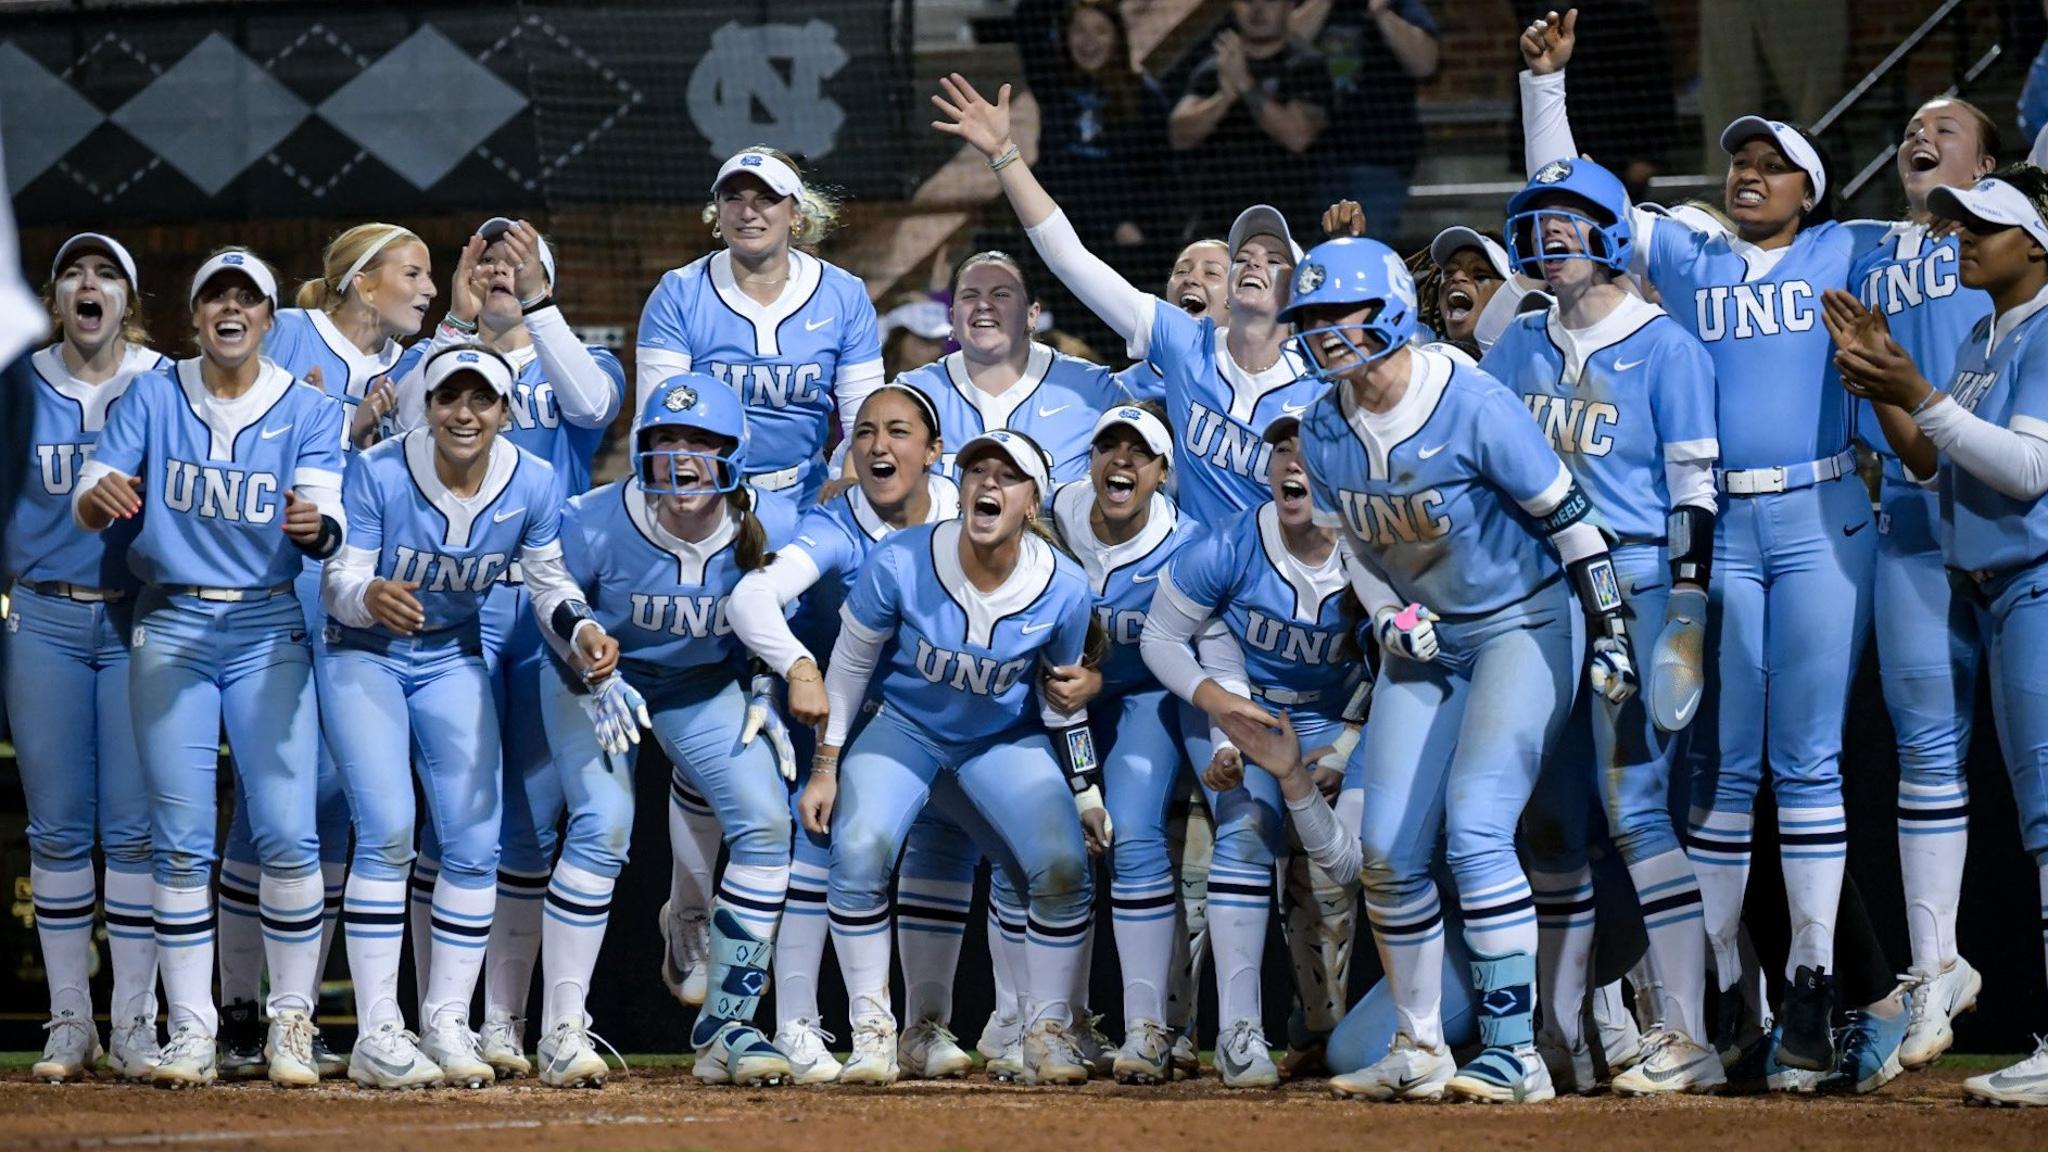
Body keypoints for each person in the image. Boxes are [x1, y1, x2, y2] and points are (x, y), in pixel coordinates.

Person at [1522, 10, 1873, 1076]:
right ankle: (1719, 1000)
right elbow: (1570, 203)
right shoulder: (1689, 253)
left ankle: (1811, 983)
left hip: (1818, 519)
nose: (1748, 174)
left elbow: (1956, 230)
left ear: (1811, 189)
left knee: (1805, 759)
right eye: (1739, 161)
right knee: (1721, 767)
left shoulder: (1849, 249)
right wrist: (1545, 86)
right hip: (1719, 533)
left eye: (1773, 164)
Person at [1283, 235, 1637, 1103]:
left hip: (1523, 622)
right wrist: (1388, 616)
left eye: (1340, 312)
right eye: (1312, 316)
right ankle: (1421, 1045)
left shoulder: (1468, 399)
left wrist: (1611, 628)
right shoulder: (1322, 426)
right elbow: (1351, 543)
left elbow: (1572, 521)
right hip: (1426, 638)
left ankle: (1516, 1052)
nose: (1324, 331)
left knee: (1478, 827)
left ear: (1392, 310)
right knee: (1386, 853)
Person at [1478, 157, 1725, 1094]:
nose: (1550, 234)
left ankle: (1689, 1033)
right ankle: (1560, 1035)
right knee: (1549, 820)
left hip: (1636, 581)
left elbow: (1693, 488)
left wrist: (1686, 608)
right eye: (1537, 218)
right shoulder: (1518, 343)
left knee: (1634, 807)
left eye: (1570, 216)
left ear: (1614, 228)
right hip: (1540, 591)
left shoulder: (1669, 349)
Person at [72, 249, 346, 1088]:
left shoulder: (307, 406)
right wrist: (98, 499)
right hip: (173, 621)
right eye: (215, 297)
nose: (231, 309)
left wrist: (317, 528)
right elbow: (92, 489)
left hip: (266, 623)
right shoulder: (155, 395)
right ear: (194, 317)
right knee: (181, 841)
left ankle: (290, 1021)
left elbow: (328, 514)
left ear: (268, 317)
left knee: (289, 832)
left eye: (246, 299)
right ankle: (191, 1029)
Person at [1826, 166, 2048, 1109]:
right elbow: (1928, 463)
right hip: (1998, 587)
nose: (1963, 239)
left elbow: (2029, 470)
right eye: (1957, 226)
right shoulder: (1979, 335)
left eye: (1984, 227)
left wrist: (1917, 389)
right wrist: (1884, 380)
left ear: (2036, 244)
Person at [390, 217, 626, 1079]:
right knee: (454, 820)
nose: (499, 271)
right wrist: (455, 322)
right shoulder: (441, 373)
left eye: (517, 262)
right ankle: (436, 1018)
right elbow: (403, 421)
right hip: (453, 602)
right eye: (487, 260)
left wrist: (534, 301)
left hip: (543, 606)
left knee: (528, 825)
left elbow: (594, 409)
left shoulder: (583, 360)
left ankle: (504, 1021)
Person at [801, 430, 1108, 1086]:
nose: (988, 483)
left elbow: (1062, 698)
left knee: (1062, 868)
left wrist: (1086, 791)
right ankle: (874, 1034)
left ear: (1032, 502)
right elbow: (849, 667)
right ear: (961, 486)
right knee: (858, 851)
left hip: (1000, 739)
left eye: (1008, 475)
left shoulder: (1064, 586)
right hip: (905, 728)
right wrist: (826, 767)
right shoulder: (901, 559)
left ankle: (1046, 1031)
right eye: (977, 471)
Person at [210, 222, 436, 1080]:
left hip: (359, 597)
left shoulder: (417, 369)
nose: (426, 288)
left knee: (337, 800)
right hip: (276, 588)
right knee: (270, 802)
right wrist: (343, 422)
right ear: (362, 280)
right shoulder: (291, 333)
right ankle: (237, 1011)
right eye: (413, 272)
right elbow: (224, 432)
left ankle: (297, 1013)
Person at [532, 373, 800, 1087]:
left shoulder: (773, 522)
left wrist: (767, 687)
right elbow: (550, 591)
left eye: (700, 440)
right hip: (592, 681)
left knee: (767, 824)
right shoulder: (596, 517)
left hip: (699, 685)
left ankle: (727, 1027)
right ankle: (562, 1029)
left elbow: (778, 619)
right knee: (603, 824)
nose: (681, 456)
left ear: (734, 451)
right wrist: (587, 646)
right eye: (666, 439)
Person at [318, 344, 573, 1089]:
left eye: (482, 399)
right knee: (389, 829)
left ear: (505, 410)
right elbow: (339, 579)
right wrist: (368, 597)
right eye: (449, 398)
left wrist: (581, 629)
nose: (465, 413)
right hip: (363, 651)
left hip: (451, 654)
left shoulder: (534, 479)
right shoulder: (380, 470)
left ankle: (446, 1020)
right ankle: (377, 1030)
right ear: (426, 407)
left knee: (473, 838)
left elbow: (549, 583)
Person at [933, 74, 1321, 526]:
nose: (1253, 264)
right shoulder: (1185, 343)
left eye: (1274, 260)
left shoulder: (1320, 381)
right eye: (1245, 258)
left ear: (1299, 290)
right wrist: (1005, 155)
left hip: (1289, 560)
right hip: (1198, 560)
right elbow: (1071, 260)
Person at [727, 384, 959, 1083]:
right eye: (864, 432)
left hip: (934, 717)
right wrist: (799, 666)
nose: (878, 445)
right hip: (837, 712)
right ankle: (795, 1023)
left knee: (964, 851)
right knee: (816, 849)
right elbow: (751, 596)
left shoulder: (965, 513)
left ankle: (943, 1028)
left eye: (897, 431)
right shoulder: (833, 524)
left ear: (934, 451)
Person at [1841, 98, 2002, 1082]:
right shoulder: (1855, 246)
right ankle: (1935, 963)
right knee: (1925, 750)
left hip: (2011, 507)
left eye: (1945, 129)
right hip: (1907, 512)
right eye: (1909, 127)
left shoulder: (2016, 241)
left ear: (1988, 166)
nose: (1919, 136)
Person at [1139, 416, 1367, 1088]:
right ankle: (1238, 1031)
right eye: (1281, 450)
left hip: (1336, 718)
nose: (1291, 462)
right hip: (1243, 706)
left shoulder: (1374, 552)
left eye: (1308, 452)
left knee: (1335, 875)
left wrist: (1347, 747)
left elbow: (1398, 662)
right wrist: (1224, 718)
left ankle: (1321, 1031)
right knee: (1243, 830)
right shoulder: (1228, 545)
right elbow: (1160, 638)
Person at [8, 233, 168, 1082]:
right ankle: (71, 1019)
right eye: (73, 272)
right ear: (56, 297)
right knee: (59, 824)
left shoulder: (164, 382)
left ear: (127, 300)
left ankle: (136, 1019)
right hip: (43, 615)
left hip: (143, 618)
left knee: (135, 827)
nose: (88, 283)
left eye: (106, 273)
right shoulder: (17, 384)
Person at [1045, 403, 1204, 1084]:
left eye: (1139, 452)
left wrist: (1103, 678)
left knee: (1134, 833)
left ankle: (1148, 1027)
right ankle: (1047, 1021)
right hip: (1058, 701)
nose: (1121, 460)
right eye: (1108, 445)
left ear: (1162, 472)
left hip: (1143, 696)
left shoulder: (1187, 545)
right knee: (1050, 844)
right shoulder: (1052, 515)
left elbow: (1187, 651)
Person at [635, 146, 884, 517]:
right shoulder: (679, 292)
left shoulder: (843, 294)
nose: (747, 213)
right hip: (706, 498)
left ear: (796, 213)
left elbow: (865, 420)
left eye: (766, 198)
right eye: (733, 198)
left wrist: (848, 485)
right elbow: (656, 417)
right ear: (718, 212)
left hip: (809, 499)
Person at [896, 250, 1131, 486]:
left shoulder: (1091, 389)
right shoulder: (912, 393)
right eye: (970, 296)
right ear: (953, 316)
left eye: (1001, 294)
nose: (983, 305)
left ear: (1032, 315)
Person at [1167, 0, 1333, 237]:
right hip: (1216, 223)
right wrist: (1224, 97)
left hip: (1287, 225)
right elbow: (1179, 135)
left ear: (1289, 6)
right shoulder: (1216, 67)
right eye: (1247, 1)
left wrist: (1245, 84)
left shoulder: (1306, 65)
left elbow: (1298, 136)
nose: (1257, 9)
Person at [1291, 0, 1442, 240]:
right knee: (1313, 252)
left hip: (1379, 157)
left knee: (1366, 245)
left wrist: (1380, 12)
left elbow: (1425, 64)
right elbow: (1284, 44)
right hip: (1311, 162)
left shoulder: (1400, 5)